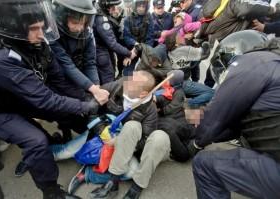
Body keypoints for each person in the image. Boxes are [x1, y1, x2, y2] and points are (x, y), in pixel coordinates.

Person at [0, 0, 99, 198]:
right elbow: (46, 100)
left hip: (18, 95)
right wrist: (86, 105)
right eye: (35, 29)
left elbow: (58, 81)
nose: (41, 34)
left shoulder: (35, 42)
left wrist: (88, 100)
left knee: (67, 110)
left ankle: (92, 136)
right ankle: (51, 191)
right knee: (35, 141)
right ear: (13, 27)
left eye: (43, 27)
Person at [188, 30, 280, 199]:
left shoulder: (254, 61)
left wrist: (196, 143)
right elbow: (237, 126)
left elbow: (216, 116)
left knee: (204, 165)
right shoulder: (273, 62)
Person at [89, 71, 171, 199]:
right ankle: (113, 182)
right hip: (104, 136)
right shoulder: (119, 85)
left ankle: (136, 188)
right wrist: (101, 130)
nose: (127, 82)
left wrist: (118, 141)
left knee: (138, 128)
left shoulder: (150, 110)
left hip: (127, 148)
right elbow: (93, 102)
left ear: (143, 93)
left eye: (133, 83)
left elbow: (144, 141)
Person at [51, 0, 109, 105]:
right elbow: (66, 65)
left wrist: (96, 86)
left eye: (83, 23)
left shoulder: (87, 33)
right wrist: (93, 89)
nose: (79, 28)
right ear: (63, 18)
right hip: (61, 79)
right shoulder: (53, 36)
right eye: (75, 22)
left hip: (79, 73)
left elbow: (90, 63)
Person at [94, 0, 136, 84]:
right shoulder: (102, 20)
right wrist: (129, 53)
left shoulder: (102, 14)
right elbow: (112, 43)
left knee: (112, 71)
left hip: (105, 49)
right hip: (101, 51)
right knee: (108, 78)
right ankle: (110, 95)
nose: (114, 10)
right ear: (106, 6)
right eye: (112, 7)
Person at [123, 0, 154, 76]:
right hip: (132, 49)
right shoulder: (128, 19)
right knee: (127, 72)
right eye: (139, 6)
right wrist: (135, 45)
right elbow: (126, 36)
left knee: (148, 72)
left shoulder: (150, 18)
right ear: (135, 6)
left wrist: (141, 48)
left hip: (145, 48)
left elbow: (150, 37)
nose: (141, 8)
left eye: (143, 6)